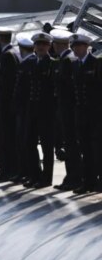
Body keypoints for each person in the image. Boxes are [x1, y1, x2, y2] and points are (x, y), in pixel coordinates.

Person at [22, 32, 56, 188]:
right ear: (34, 46)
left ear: (49, 46)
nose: (41, 47)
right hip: (31, 109)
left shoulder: (52, 64)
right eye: (38, 44)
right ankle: (34, 174)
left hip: (46, 111)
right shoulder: (30, 63)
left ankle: (46, 178)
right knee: (29, 143)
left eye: (44, 44)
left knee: (47, 146)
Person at [69, 33, 100, 194]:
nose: (76, 49)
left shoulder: (96, 63)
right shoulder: (75, 65)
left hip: (95, 114)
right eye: (74, 46)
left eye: (79, 46)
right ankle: (87, 182)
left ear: (86, 47)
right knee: (85, 149)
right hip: (81, 114)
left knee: (97, 149)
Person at [51, 29, 81, 191]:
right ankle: (72, 177)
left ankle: (73, 178)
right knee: (70, 144)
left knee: (70, 145)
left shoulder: (67, 61)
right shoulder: (68, 59)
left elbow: (68, 88)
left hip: (67, 110)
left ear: (57, 45)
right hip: (67, 109)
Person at [0, 26, 20, 182]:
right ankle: (11, 169)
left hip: (5, 105)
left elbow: (5, 83)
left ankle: (8, 169)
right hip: (9, 104)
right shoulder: (14, 53)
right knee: (9, 137)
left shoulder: (6, 56)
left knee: (6, 138)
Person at [12, 36, 35, 183]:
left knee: (25, 142)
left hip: (25, 109)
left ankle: (27, 171)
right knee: (22, 141)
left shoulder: (28, 64)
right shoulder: (27, 63)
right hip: (23, 109)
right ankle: (24, 171)